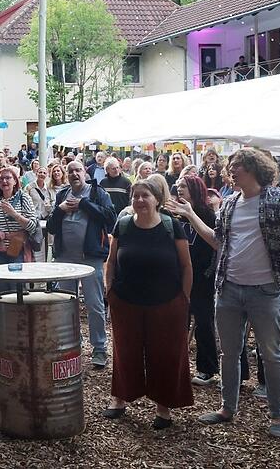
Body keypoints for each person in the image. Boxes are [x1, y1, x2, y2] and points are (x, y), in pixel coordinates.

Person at [168, 148, 280, 440]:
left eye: (236, 166)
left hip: (265, 291)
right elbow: (218, 242)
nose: (230, 171)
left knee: (271, 355)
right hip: (229, 289)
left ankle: (278, 414)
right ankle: (226, 408)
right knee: (229, 353)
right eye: (229, 166)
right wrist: (191, 213)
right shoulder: (230, 204)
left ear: (254, 168)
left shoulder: (279, 199)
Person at [101, 179, 193, 429]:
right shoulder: (123, 225)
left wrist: (183, 299)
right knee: (125, 352)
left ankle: (163, 408)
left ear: (156, 200)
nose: (140, 200)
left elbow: (186, 266)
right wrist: (110, 291)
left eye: (145, 196)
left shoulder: (171, 226)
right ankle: (119, 400)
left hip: (166, 303)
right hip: (126, 301)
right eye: (136, 196)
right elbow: (111, 261)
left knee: (164, 354)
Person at [46, 161, 116, 368]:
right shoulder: (62, 195)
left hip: (90, 258)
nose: (74, 174)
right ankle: (70, 344)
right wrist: (59, 210)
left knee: (94, 304)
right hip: (65, 259)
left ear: (85, 172)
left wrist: (84, 205)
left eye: (78, 170)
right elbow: (51, 226)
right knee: (66, 304)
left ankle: (99, 348)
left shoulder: (97, 193)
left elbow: (110, 218)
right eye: (70, 171)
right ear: (66, 175)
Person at [173, 175, 220, 386]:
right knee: (177, 322)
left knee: (203, 323)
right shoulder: (174, 214)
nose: (179, 189)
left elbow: (214, 246)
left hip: (202, 278)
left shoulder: (207, 215)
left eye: (184, 186)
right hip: (178, 276)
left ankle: (207, 369)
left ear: (194, 189)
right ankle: (176, 364)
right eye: (178, 186)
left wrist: (208, 273)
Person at [0, 167, 37, 292]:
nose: (4, 181)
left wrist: (14, 213)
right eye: (1, 178)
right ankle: (4, 312)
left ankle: (20, 311)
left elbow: (32, 225)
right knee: (2, 287)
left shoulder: (24, 198)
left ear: (15, 181)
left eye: (8, 178)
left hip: (17, 249)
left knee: (17, 286)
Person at [24, 166, 53, 262]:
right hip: (33, 219)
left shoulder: (49, 188)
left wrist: (49, 207)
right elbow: (24, 201)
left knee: (44, 243)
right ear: (36, 173)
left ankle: (44, 262)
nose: (42, 174)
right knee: (34, 242)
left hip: (45, 219)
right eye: (40, 172)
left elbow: (52, 202)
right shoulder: (29, 187)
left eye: (44, 173)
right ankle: (33, 261)